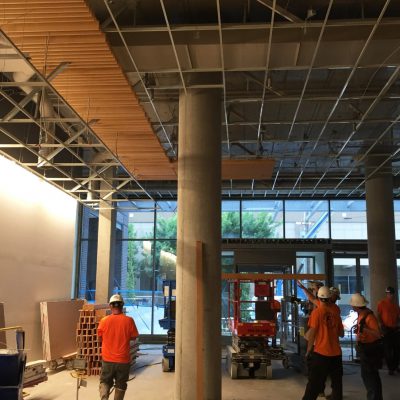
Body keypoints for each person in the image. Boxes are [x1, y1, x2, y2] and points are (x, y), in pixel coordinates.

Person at [302, 286, 344, 400]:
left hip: (321, 353)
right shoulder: (336, 312)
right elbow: (341, 333)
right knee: (337, 384)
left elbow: (312, 334)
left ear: (319, 298)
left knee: (314, 384)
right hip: (336, 354)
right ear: (330, 297)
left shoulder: (317, 312)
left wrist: (308, 350)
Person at [98, 294, 139, 400]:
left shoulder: (104, 321)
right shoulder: (129, 320)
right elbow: (134, 337)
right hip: (123, 361)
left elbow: (99, 339)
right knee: (121, 384)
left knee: (105, 381)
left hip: (107, 360)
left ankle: (104, 398)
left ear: (110, 306)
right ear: (122, 306)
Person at [350, 293, 383, 400]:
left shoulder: (369, 316)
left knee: (370, 378)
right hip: (366, 350)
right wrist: (360, 329)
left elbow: (378, 334)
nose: (351, 306)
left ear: (356, 305)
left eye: (352, 304)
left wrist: (365, 329)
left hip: (370, 351)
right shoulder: (362, 314)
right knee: (368, 377)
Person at [377, 286, 400, 375]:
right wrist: (381, 326)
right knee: (387, 350)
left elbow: (398, 317)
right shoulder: (381, 303)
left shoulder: (395, 305)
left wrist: (398, 324)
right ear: (386, 294)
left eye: (391, 294)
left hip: (395, 329)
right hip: (386, 329)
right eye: (388, 294)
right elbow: (379, 315)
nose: (390, 295)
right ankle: (391, 368)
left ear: (393, 294)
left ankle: (395, 366)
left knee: (397, 349)